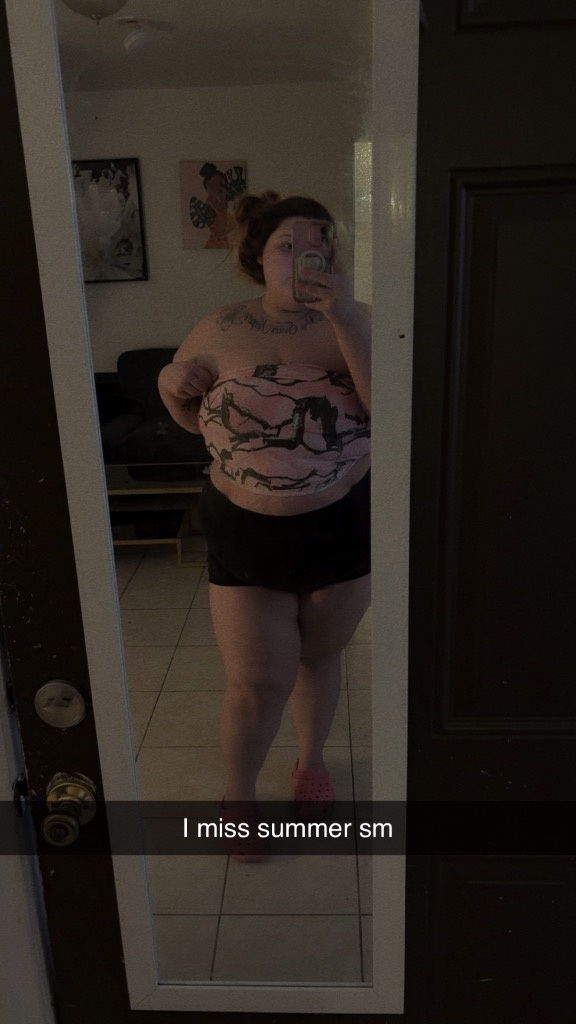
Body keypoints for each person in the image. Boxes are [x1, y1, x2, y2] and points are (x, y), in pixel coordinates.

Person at [158, 191, 371, 859]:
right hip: (244, 530)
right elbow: (190, 417)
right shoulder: (219, 325)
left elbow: (394, 413)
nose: (309, 255)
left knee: (318, 658)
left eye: (322, 242)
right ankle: (239, 795)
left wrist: (343, 316)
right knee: (257, 682)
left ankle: (311, 764)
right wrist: (171, 381)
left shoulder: (359, 320)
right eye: (289, 245)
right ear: (260, 257)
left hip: (342, 523)